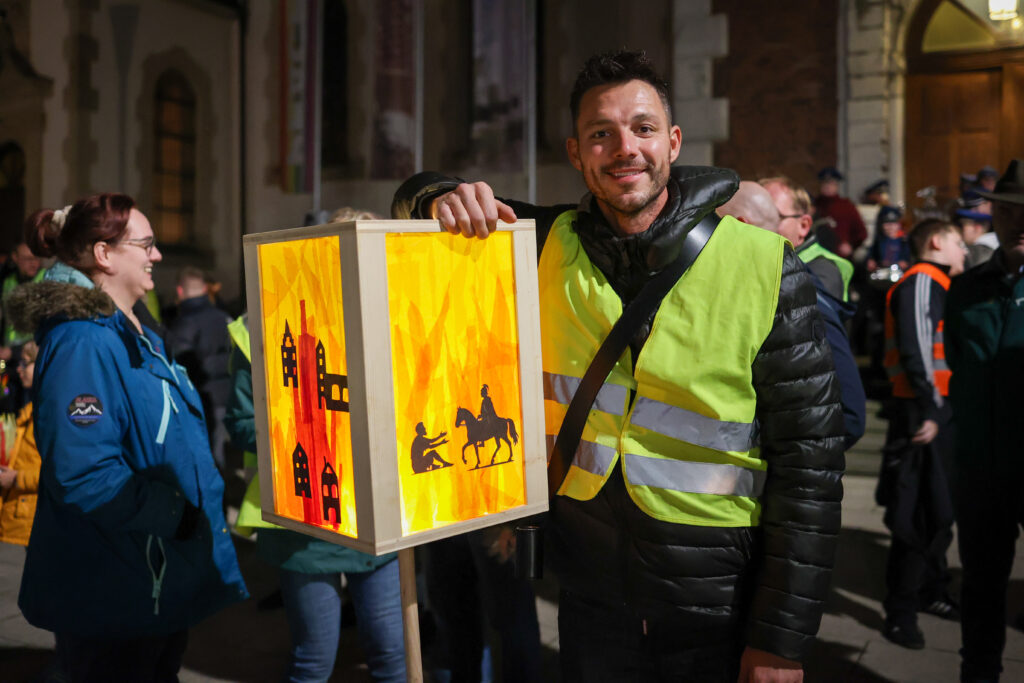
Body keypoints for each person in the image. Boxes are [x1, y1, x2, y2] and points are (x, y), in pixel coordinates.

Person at [393, 50, 845, 682]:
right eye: (601, 133)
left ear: (673, 142)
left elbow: (810, 468)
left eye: (643, 128)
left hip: (718, 611)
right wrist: (442, 195)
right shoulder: (539, 244)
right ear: (577, 154)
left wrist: (780, 642)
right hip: (590, 608)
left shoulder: (766, 265)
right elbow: (411, 202)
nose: (625, 148)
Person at [8, 194, 247, 681]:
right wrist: (176, 515)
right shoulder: (82, 341)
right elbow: (85, 473)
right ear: (104, 254)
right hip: (114, 582)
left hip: (151, 572)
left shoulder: (135, 330)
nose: (156, 254)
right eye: (146, 244)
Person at [225, 240, 406, 682]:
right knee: (314, 659)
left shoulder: (388, 324)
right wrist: (300, 428)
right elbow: (242, 423)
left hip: (377, 516)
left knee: (392, 653)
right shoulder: (263, 332)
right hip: (306, 523)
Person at [945, 159, 1024, 682]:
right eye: (1010, 211)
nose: (1020, 223)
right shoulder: (968, 288)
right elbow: (958, 362)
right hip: (980, 466)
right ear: (994, 215)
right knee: (981, 586)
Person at [877, 218, 966, 650]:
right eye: (957, 242)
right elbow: (917, 348)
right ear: (935, 242)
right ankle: (901, 612)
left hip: (935, 410)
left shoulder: (939, 284)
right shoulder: (922, 282)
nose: (964, 250)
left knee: (938, 511)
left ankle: (932, 590)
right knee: (915, 516)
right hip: (921, 412)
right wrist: (931, 408)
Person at [722, 181, 865, 448]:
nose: (765, 220)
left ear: (803, 225)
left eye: (774, 214)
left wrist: (776, 454)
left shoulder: (808, 283)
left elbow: (844, 413)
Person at [168, 266, 233, 470]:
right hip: (227, 395)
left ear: (180, 291)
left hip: (200, 399)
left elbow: (180, 366)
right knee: (221, 454)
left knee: (204, 458)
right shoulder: (225, 317)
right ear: (205, 289)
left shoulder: (184, 323)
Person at [760, 176, 854, 301]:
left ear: (803, 225)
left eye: (774, 217)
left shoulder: (822, 271)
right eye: (756, 215)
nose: (759, 225)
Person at [0, 341, 40, 546]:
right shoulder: (31, 409)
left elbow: (59, 471)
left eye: (25, 363)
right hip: (17, 517)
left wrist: (16, 478)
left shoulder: (47, 414)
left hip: (30, 522)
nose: (19, 369)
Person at [814, 166, 868, 258]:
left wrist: (851, 245)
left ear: (837, 185)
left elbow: (861, 232)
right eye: (824, 183)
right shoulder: (814, 205)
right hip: (817, 254)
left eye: (831, 183)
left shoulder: (847, 206)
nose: (827, 186)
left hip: (840, 256)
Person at [866, 205, 911, 272]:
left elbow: (909, 258)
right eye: (887, 224)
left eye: (894, 224)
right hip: (882, 271)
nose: (890, 227)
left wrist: (905, 263)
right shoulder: (879, 240)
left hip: (899, 272)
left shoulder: (904, 241)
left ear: (899, 225)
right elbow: (871, 255)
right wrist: (870, 260)